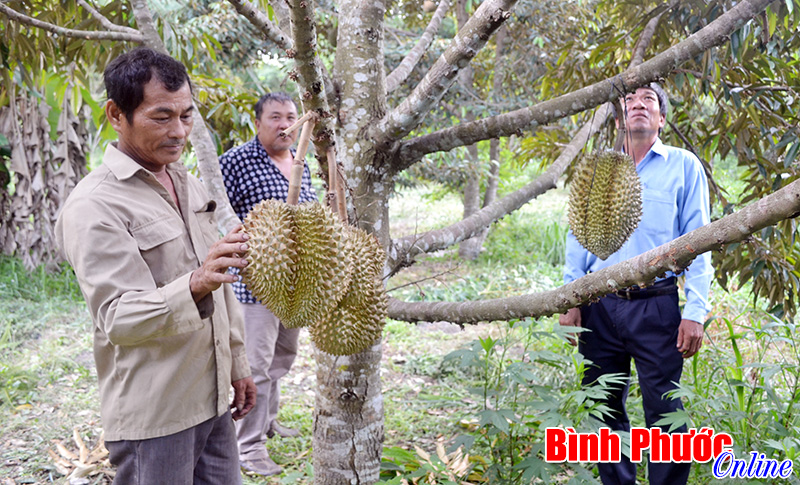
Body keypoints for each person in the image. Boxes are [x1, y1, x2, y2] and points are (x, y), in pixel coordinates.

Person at [55, 47, 256, 484]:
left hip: (212, 399)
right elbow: (118, 317)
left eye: (186, 116)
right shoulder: (95, 206)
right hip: (157, 417)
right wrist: (196, 282)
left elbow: (219, 280)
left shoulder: (186, 182)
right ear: (115, 114)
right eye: (161, 117)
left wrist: (238, 362)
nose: (179, 131)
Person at [560, 82, 712, 485]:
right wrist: (570, 298)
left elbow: (700, 241)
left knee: (665, 412)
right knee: (605, 409)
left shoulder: (683, 166)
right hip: (597, 305)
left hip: (656, 305)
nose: (640, 105)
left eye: (650, 101)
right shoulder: (597, 168)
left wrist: (695, 312)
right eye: (631, 100)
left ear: (662, 119)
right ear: (617, 119)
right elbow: (576, 237)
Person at [219, 92, 316, 476]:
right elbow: (215, 214)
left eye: (291, 117)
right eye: (275, 117)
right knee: (256, 366)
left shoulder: (300, 161)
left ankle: (268, 421)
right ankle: (249, 447)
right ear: (258, 122)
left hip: (295, 286)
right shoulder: (236, 162)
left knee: (280, 360)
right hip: (255, 286)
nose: (284, 124)